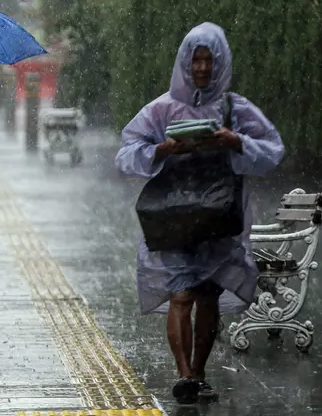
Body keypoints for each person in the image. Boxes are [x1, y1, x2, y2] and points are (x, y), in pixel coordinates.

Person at [114, 22, 285, 404]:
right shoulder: (161, 109)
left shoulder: (235, 108)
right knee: (181, 293)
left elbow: (272, 148)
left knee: (207, 294)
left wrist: (234, 140)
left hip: (218, 217)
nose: (203, 68)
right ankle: (184, 374)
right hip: (173, 216)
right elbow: (126, 153)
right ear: (185, 63)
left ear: (221, 62)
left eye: (210, 60)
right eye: (197, 60)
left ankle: (200, 373)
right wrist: (164, 150)